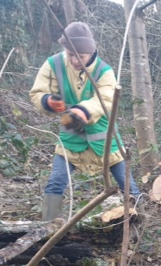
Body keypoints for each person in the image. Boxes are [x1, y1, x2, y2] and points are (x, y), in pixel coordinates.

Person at [30, 21, 141, 220]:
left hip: (105, 141)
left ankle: (140, 219)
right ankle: (45, 227)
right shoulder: (53, 64)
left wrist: (83, 111)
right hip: (70, 140)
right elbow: (38, 92)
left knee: (128, 186)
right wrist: (47, 101)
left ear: (91, 52)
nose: (74, 60)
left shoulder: (104, 71)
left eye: (79, 56)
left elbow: (106, 99)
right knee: (56, 182)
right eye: (70, 55)